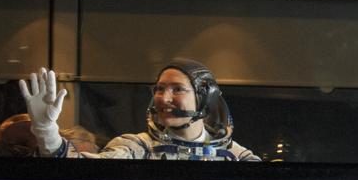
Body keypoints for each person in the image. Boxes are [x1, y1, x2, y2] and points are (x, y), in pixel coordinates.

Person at [20, 60, 259, 161]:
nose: (164, 98)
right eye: (159, 89)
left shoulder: (235, 156)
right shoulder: (137, 148)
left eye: (177, 89)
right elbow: (84, 170)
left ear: (204, 98)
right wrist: (46, 131)